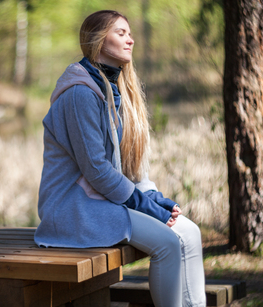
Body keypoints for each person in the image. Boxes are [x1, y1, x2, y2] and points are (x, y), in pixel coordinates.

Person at [34, 10, 206, 307]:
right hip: (74, 208)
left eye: (129, 33)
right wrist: (145, 207)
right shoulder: (80, 93)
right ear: (99, 40)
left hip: (105, 202)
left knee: (190, 233)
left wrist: (153, 197)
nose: (131, 40)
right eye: (121, 33)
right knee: (166, 244)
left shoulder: (116, 90)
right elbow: (97, 170)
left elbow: (130, 167)